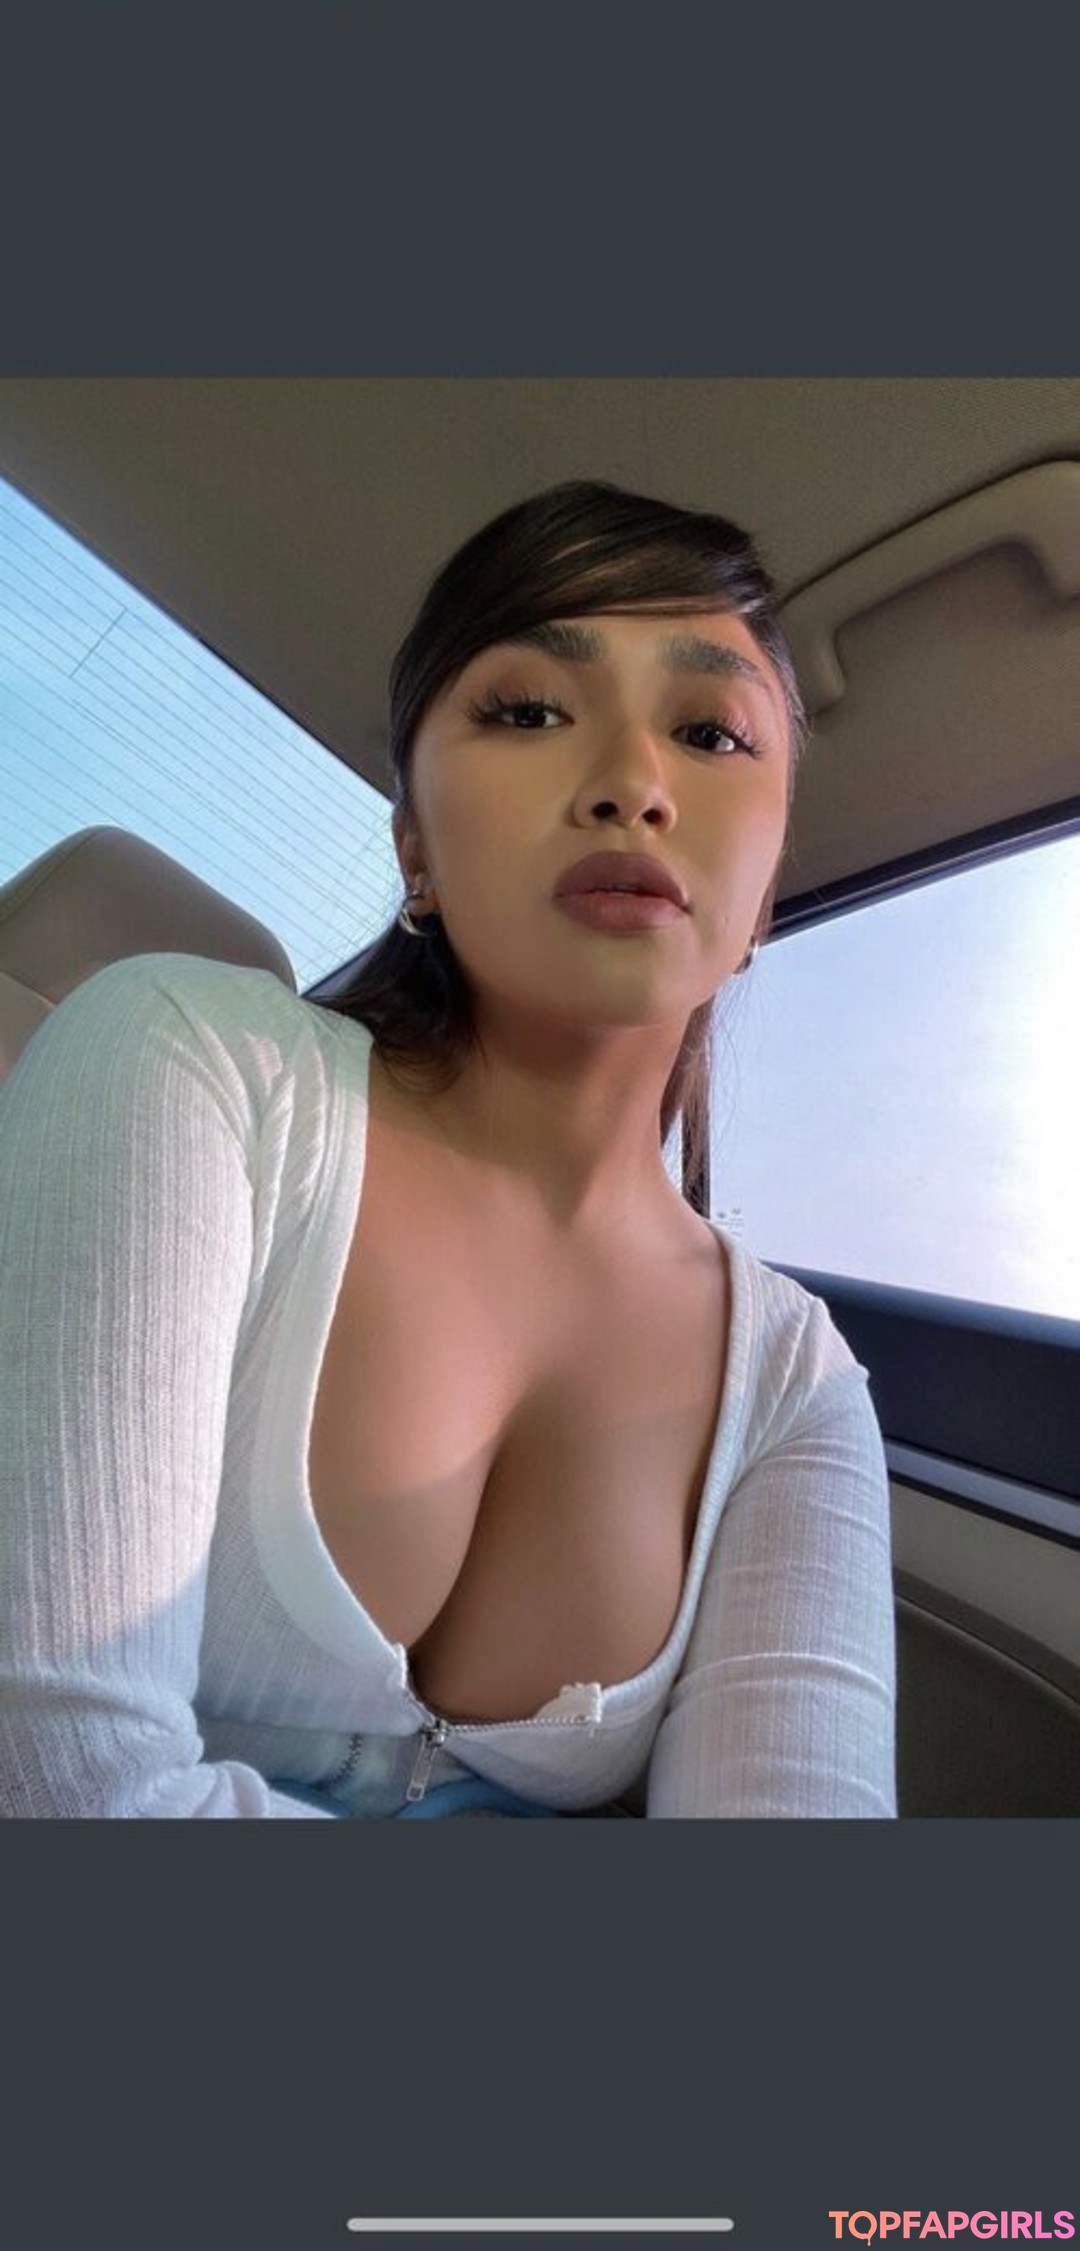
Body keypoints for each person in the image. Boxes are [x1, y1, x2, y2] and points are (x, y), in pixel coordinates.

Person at [0, 479, 896, 1818]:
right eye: (529, 711)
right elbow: (58, 1787)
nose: (633, 784)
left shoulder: (793, 1384)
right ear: (412, 839)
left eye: (710, 732)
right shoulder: (193, 1059)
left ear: (764, 892)